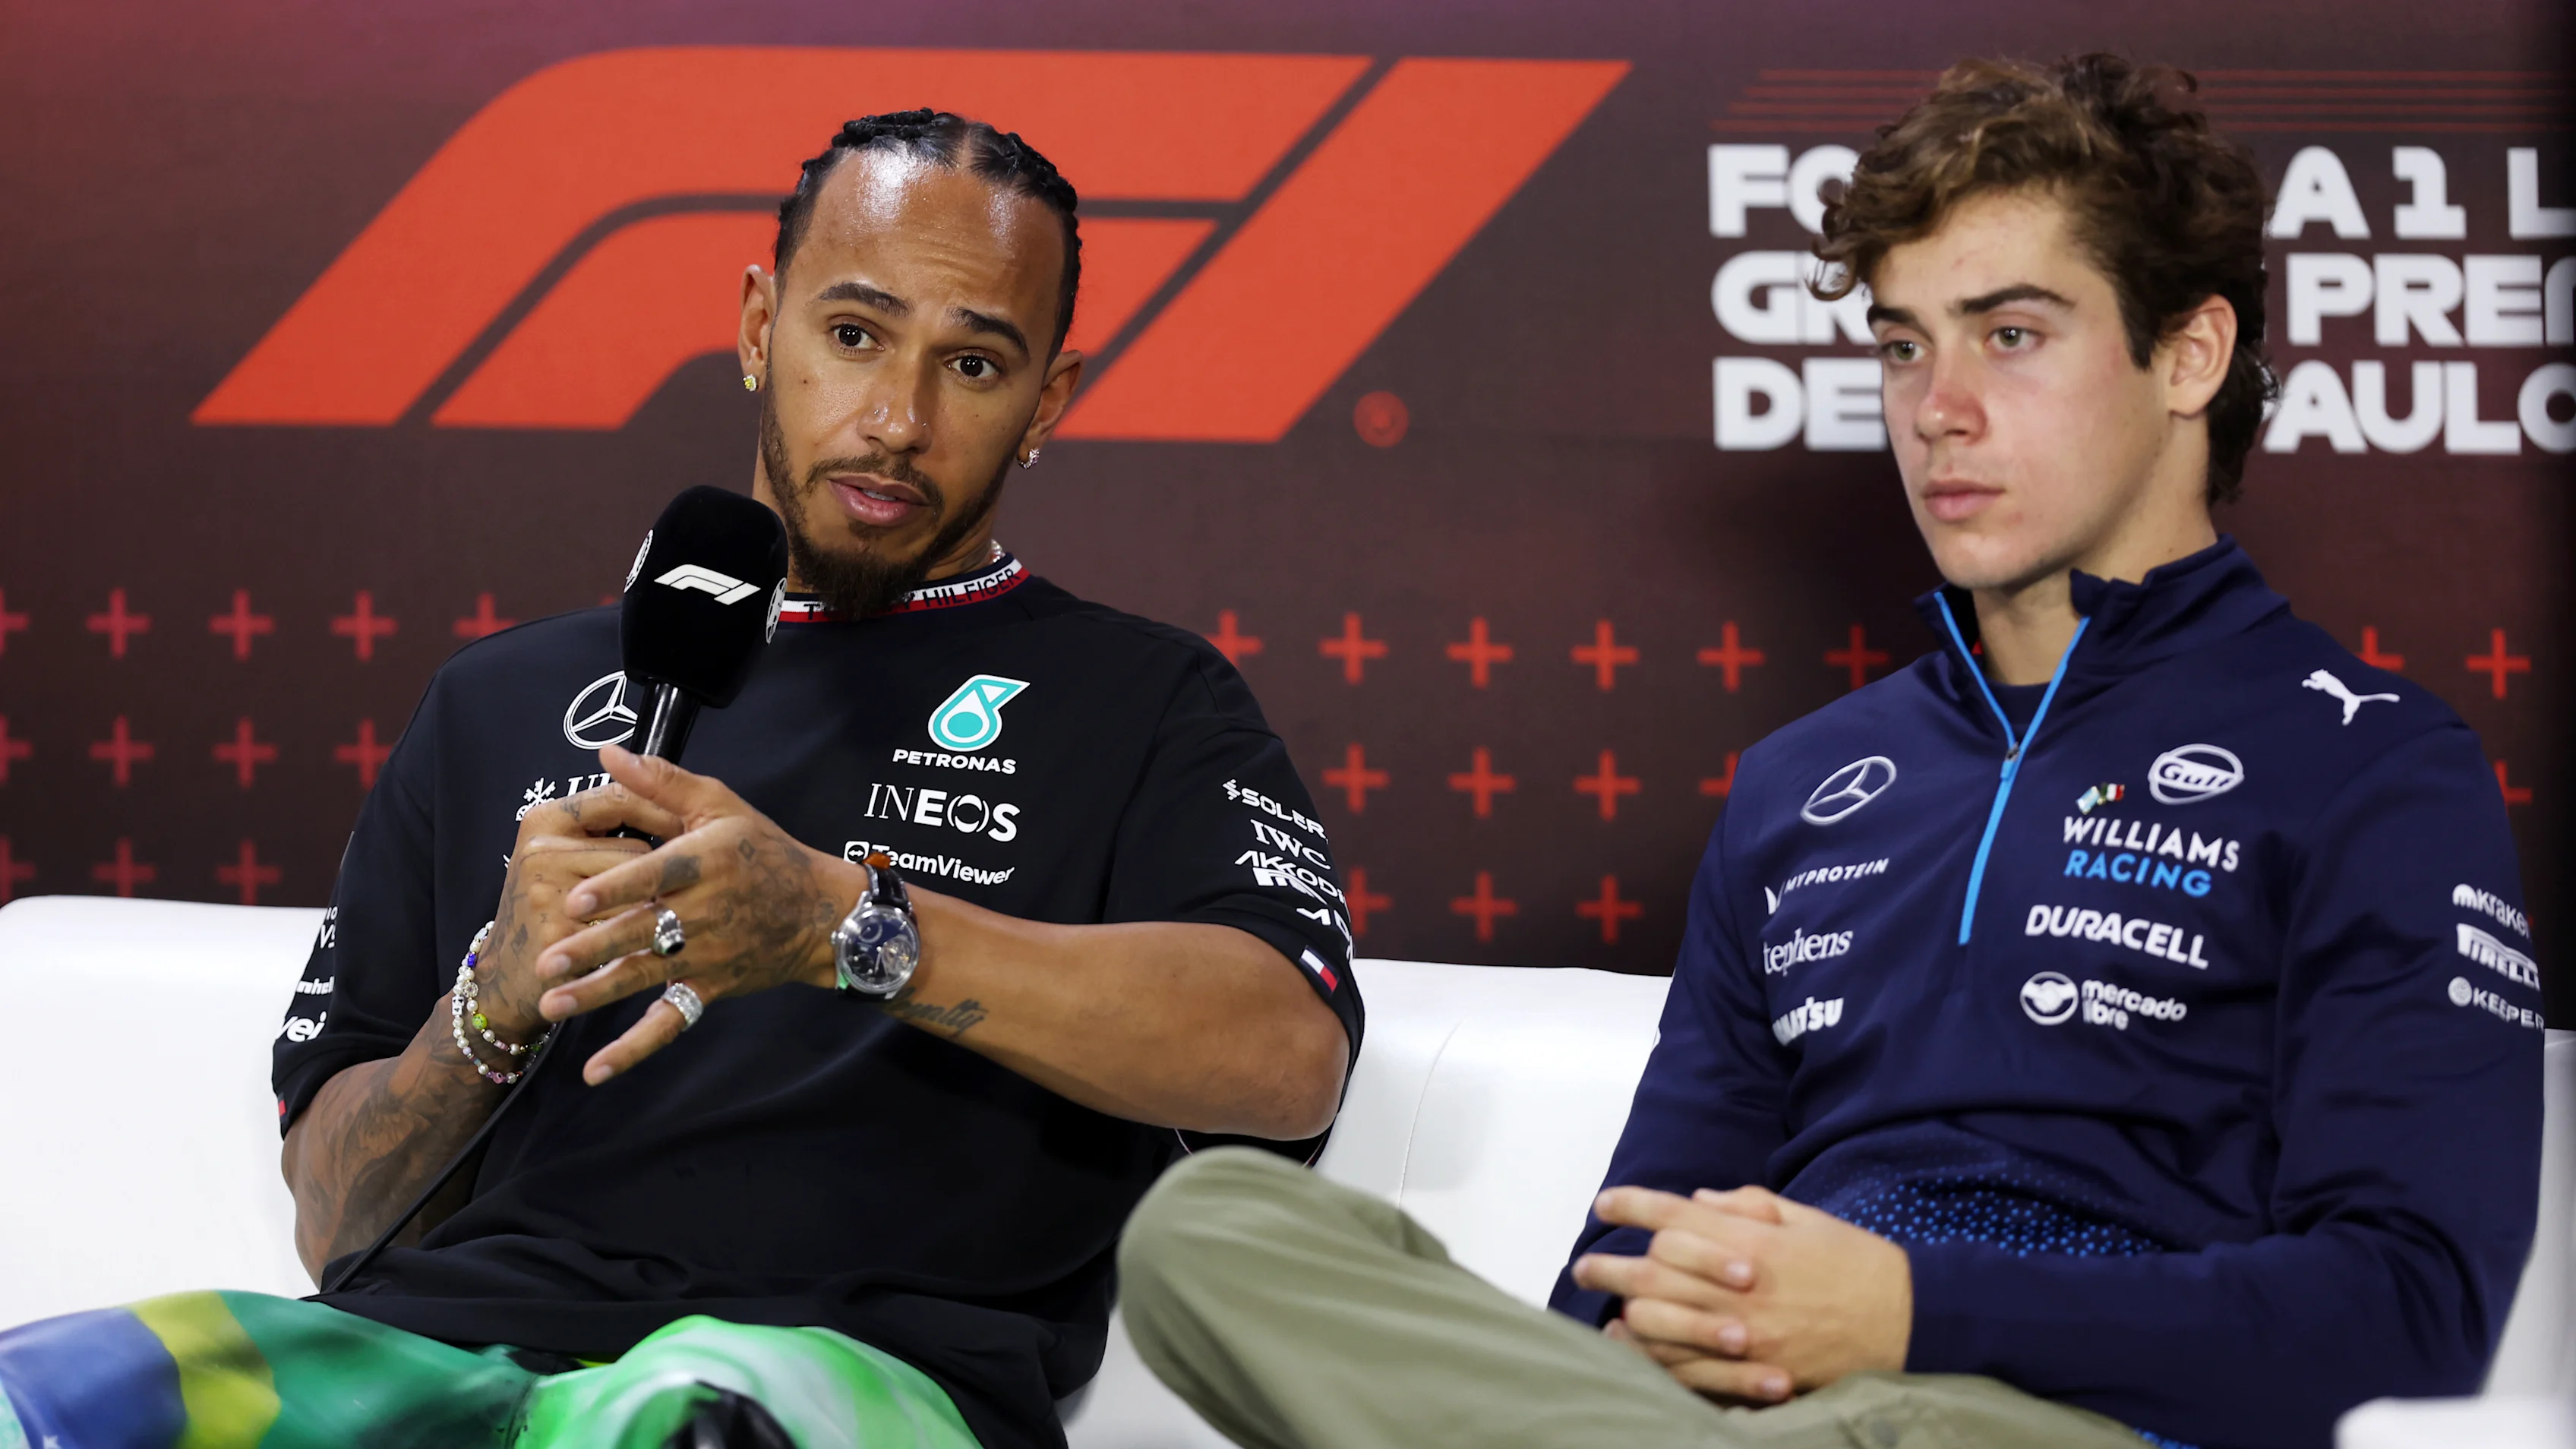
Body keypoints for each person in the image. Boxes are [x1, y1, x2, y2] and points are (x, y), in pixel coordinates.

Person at [1115, 54, 2543, 1449]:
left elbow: (2413, 1310)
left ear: (2189, 355)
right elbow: (1624, 1264)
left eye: (2013, 334)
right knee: (1210, 1230)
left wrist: (1913, 1312)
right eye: (1905, 344)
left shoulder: (2376, 769)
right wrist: (1656, 1339)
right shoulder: (1803, 786)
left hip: (2045, 1411)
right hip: (1729, 1402)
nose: (1940, 409)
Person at [0, 110, 1360, 1449]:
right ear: (760, 326)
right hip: (441, 1350)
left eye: (976, 365)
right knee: (55, 1394)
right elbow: (337, 1219)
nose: (896, 418)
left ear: (1047, 400)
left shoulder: (1145, 699)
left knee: (679, 1420)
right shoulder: (500, 698)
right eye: (853, 335)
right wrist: (501, 993)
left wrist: (849, 928)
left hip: (825, 1377)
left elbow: (1288, 1056)